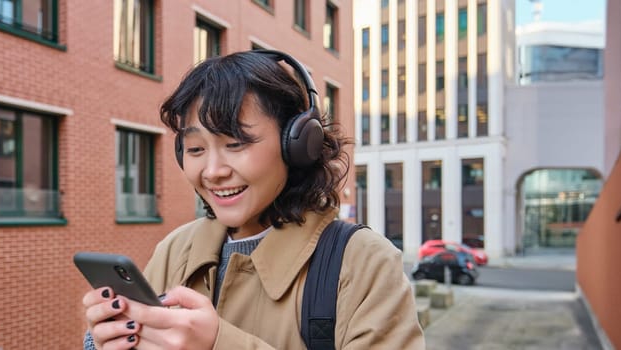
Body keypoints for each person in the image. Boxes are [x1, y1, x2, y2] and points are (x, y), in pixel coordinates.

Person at [82, 50, 424, 349]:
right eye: (196, 149)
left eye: (236, 144)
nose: (213, 171)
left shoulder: (362, 261)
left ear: (298, 143)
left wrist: (218, 345)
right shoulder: (175, 249)